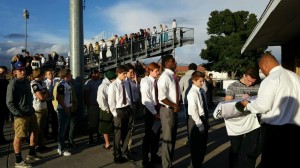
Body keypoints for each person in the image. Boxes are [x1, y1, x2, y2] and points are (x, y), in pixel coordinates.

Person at [240, 53, 300, 168]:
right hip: (296, 128)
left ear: (265, 66)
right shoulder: (295, 77)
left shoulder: (271, 79)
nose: (263, 73)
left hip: (276, 131)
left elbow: (263, 106)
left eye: (262, 70)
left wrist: (247, 105)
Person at [224, 67, 261, 168]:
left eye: (253, 82)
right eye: (249, 81)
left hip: (252, 121)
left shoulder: (258, 85)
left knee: (253, 149)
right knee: (235, 149)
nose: (250, 84)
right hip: (237, 122)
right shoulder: (233, 86)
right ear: (244, 75)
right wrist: (240, 100)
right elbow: (226, 105)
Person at [6, 61, 40, 167]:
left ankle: (31, 153)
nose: (23, 72)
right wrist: (18, 114)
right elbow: (9, 102)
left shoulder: (26, 81)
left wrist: (31, 109)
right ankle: (18, 160)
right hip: (21, 115)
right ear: (15, 72)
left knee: (35, 131)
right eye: (20, 70)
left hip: (30, 112)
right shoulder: (13, 84)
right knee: (19, 136)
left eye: (24, 69)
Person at [157, 54, 181, 168]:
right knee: (167, 140)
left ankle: (168, 162)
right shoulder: (165, 77)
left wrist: (178, 104)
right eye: (173, 61)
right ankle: (166, 165)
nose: (175, 63)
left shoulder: (173, 76)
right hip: (168, 110)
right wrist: (174, 105)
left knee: (172, 139)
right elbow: (161, 97)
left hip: (173, 109)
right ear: (166, 63)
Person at [107, 65, 133, 163]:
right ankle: (117, 155)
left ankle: (125, 152)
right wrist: (114, 114)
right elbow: (111, 101)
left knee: (127, 133)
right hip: (119, 111)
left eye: (126, 73)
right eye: (124, 74)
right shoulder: (113, 85)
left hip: (127, 109)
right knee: (117, 134)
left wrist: (130, 107)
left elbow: (128, 96)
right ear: (118, 73)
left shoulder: (125, 83)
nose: (125, 75)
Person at [140, 62, 162, 168]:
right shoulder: (146, 82)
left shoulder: (156, 82)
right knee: (148, 136)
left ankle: (154, 155)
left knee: (156, 135)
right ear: (150, 71)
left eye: (158, 70)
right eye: (156, 71)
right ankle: (145, 159)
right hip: (150, 110)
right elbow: (146, 100)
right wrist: (154, 113)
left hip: (156, 109)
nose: (158, 72)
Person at [187, 71, 209, 168]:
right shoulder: (192, 93)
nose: (202, 83)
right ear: (194, 81)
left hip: (203, 118)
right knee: (196, 148)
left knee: (202, 146)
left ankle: (198, 164)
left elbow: (205, 106)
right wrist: (200, 125)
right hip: (196, 120)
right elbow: (193, 111)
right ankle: (196, 165)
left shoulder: (201, 91)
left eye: (203, 81)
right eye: (200, 81)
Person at [52, 69, 73, 156]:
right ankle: (61, 148)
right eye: (70, 75)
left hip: (66, 108)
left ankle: (61, 147)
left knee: (63, 129)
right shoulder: (62, 85)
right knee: (62, 129)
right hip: (63, 109)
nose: (71, 76)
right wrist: (65, 107)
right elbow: (59, 97)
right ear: (66, 76)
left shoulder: (66, 84)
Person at [30, 68, 50, 152]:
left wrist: (45, 95)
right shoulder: (33, 84)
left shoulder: (43, 83)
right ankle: (34, 147)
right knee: (36, 129)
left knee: (42, 128)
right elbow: (41, 97)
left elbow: (47, 93)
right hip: (37, 108)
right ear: (40, 75)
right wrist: (45, 95)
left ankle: (41, 144)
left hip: (44, 107)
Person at [97, 71, 116, 150]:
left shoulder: (111, 84)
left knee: (113, 126)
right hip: (106, 109)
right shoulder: (103, 86)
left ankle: (114, 142)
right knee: (106, 127)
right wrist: (107, 109)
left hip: (112, 108)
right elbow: (101, 99)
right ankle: (107, 143)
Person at [179, 63, 197, 142]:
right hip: (196, 101)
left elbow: (179, 89)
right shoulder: (198, 76)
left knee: (188, 119)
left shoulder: (184, 77)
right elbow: (205, 89)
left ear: (188, 68)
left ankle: (190, 136)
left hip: (186, 101)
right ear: (196, 69)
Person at [84, 69, 102, 144]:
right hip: (92, 105)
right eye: (97, 74)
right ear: (93, 74)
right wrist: (88, 104)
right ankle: (91, 138)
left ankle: (99, 137)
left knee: (99, 122)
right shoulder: (88, 82)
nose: (99, 76)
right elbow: (85, 93)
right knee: (92, 123)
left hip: (99, 105)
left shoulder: (100, 82)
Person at [125, 64, 140, 153]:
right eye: (131, 72)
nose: (132, 74)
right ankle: (127, 147)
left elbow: (137, 92)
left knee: (132, 126)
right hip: (128, 107)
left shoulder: (131, 81)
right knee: (128, 127)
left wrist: (136, 81)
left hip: (134, 104)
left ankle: (128, 146)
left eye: (133, 72)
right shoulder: (124, 82)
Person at [0, 66, 10, 144]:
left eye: (3, 72)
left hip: (4, 104)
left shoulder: (6, 81)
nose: (1, 73)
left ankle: (2, 138)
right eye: (0, 72)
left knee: (2, 122)